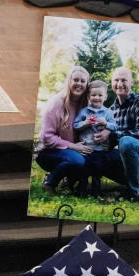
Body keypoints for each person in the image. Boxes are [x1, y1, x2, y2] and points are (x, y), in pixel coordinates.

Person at [97, 67, 139, 202]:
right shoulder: (111, 111)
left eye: (124, 80)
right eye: (116, 80)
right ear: (112, 83)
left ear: (131, 82)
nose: (120, 84)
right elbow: (110, 139)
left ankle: (132, 193)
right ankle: (91, 187)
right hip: (129, 154)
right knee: (100, 152)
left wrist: (113, 136)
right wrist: (103, 141)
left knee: (126, 141)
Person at [34, 66, 90, 195]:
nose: (79, 84)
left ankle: (69, 182)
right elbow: (47, 137)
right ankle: (50, 181)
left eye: (83, 81)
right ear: (69, 82)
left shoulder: (85, 105)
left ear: (87, 84)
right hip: (47, 152)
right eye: (75, 80)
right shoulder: (56, 104)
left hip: (70, 150)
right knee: (77, 160)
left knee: (92, 157)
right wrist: (73, 146)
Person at [71, 79, 118, 196]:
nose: (97, 97)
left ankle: (96, 192)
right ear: (88, 96)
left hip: (99, 150)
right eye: (93, 95)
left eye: (100, 95)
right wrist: (85, 123)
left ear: (105, 97)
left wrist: (106, 124)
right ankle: (81, 190)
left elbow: (115, 126)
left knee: (97, 171)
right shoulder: (84, 112)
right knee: (84, 170)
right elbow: (75, 125)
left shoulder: (107, 113)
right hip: (86, 149)